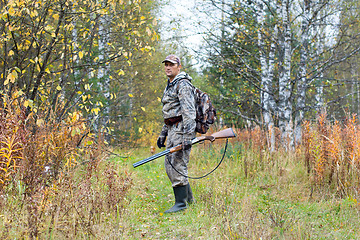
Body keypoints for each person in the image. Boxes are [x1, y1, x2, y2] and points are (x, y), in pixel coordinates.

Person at [157, 54, 196, 213]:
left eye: (171, 64)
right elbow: (170, 112)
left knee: (176, 164)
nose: (168, 67)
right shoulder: (171, 84)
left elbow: (189, 112)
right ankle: (189, 200)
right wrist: (163, 134)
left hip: (182, 130)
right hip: (173, 129)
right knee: (171, 164)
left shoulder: (183, 84)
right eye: (166, 64)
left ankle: (181, 204)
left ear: (179, 67)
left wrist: (188, 136)